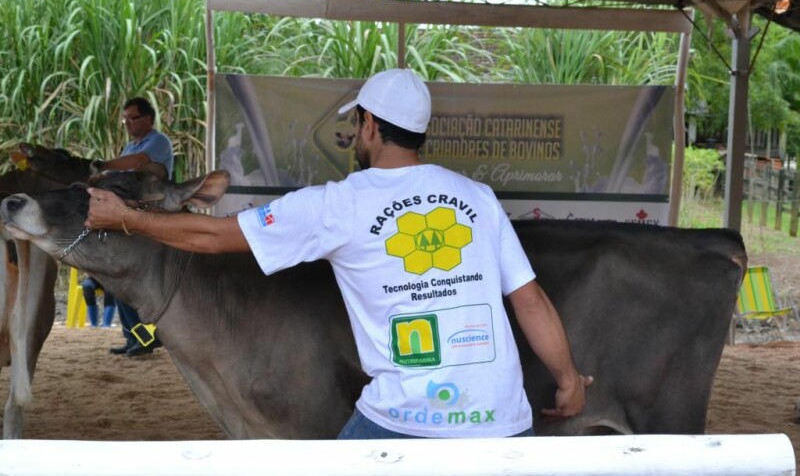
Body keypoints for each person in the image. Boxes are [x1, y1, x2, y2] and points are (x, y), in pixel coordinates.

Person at [85, 69, 592, 438]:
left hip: (404, 423)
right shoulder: (478, 198)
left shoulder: (338, 204)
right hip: (501, 423)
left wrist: (124, 218)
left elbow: (213, 237)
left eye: (358, 125)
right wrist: (568, 381)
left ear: (369, 125)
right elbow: (530, 301)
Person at [94, 96, 173, 358]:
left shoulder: (157, 142)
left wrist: (104, 165)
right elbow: (120, 171)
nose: (127, 122)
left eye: (132, 117)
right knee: (119, 279)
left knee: (133, 280)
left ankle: (147, 337)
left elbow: (138, 162)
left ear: (148, 118)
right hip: (128, 217)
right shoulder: (129, 146)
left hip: (149, 217)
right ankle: (136, 339)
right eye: (125, 118)